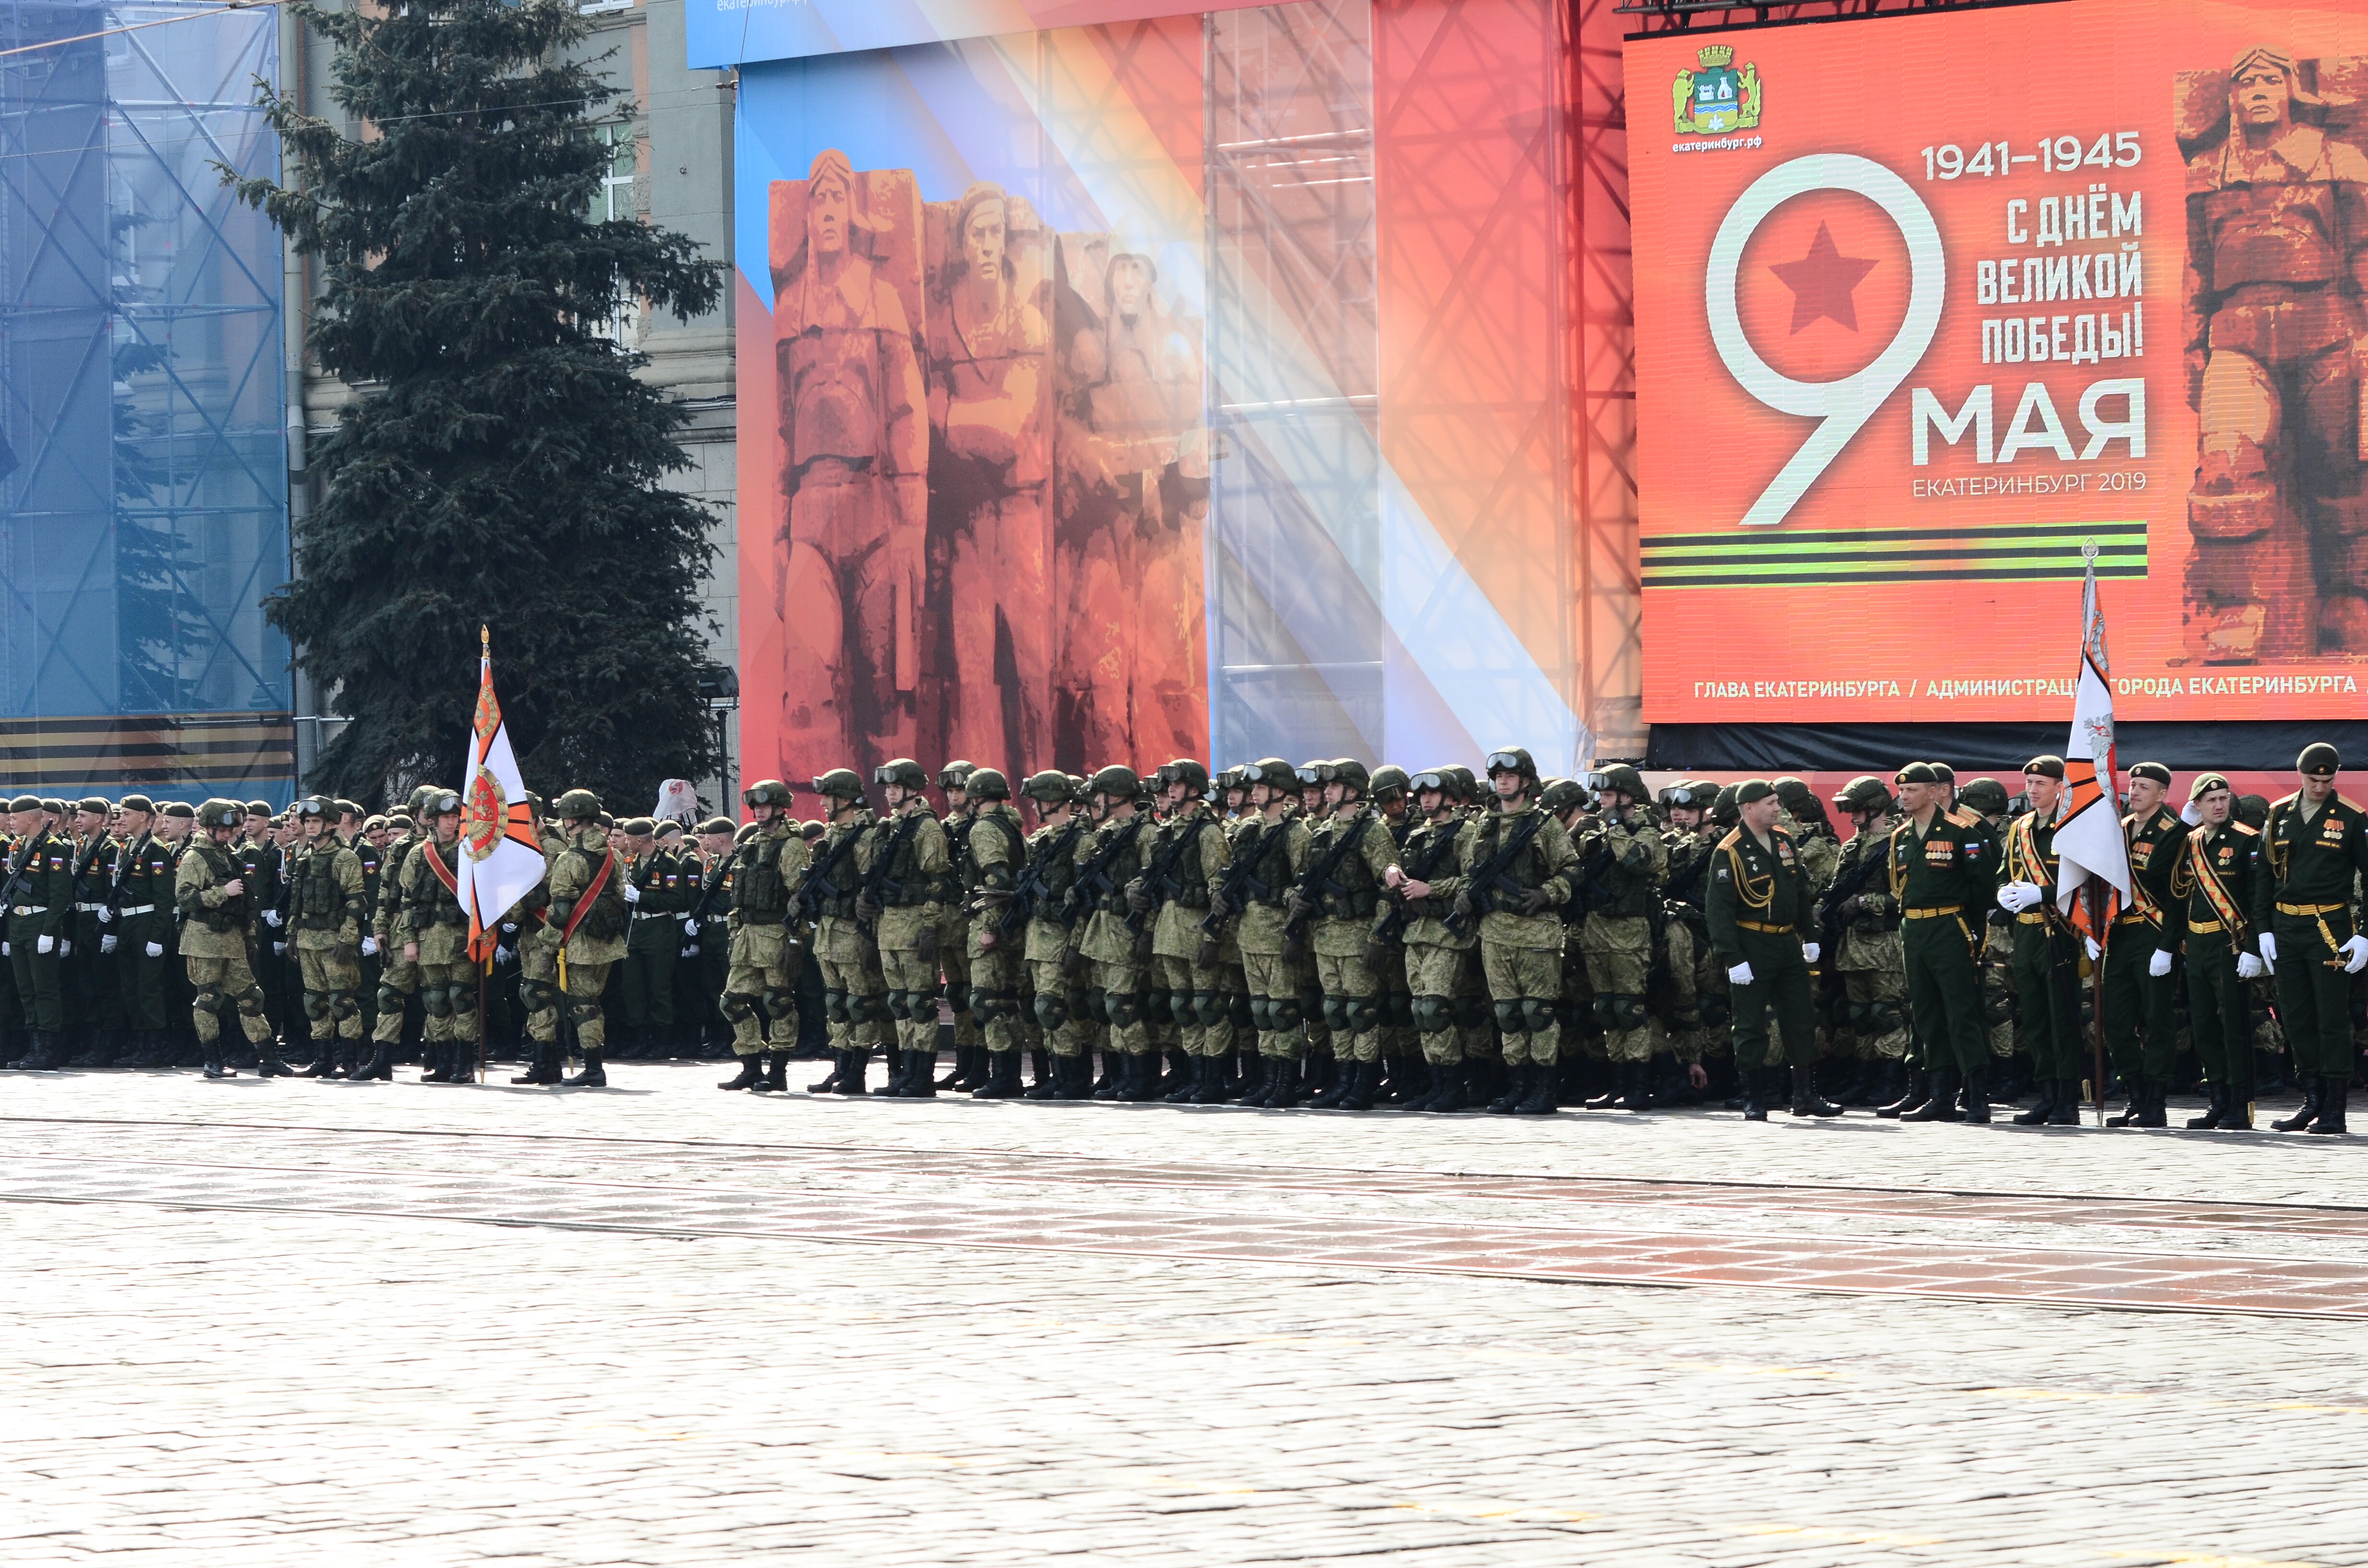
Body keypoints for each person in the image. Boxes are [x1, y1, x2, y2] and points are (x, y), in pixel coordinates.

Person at [2182, 45, 2368, 660]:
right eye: (2245, 84)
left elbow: (2363, 251)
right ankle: (2234, 610)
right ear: (2231, 99)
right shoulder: (2206, 172)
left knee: (2341, 478)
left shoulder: (2337, 160)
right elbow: (2198, 275)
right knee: (2224, 467)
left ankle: (2349, 601)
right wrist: (2193, 349)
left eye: (2269, 80)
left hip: (2326, 333)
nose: (2257, 91)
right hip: (2237, 341)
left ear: (2291, 91)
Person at [1432, 748, 1580, 1116]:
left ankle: (1543, 1090)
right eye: (1498, 775)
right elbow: (1471, 871)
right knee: (1508, 1015)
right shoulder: (1484, 825)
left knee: (1537, 1012)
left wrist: (1548, 893)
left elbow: (1572, 870)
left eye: (1510, 776)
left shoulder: (1544, 824)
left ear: (1526, 782)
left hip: (1536, 931)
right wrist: (1466, 895)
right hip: (1495, 931)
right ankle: (1519, 1087)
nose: (1503, 781)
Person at [2254, 743, 2368, 1132]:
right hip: (2286, 926)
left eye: (2327, 779)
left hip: (2328, 926)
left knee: (2331, 1018)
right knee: (2296, 1016)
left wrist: (2365, 934)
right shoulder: (2279, 813)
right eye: (2313, 779)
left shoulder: (2352, 818)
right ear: (2300, 774)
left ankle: (2335, 1109)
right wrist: (2263, 929)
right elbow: (2264, 877)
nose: (2320, 786)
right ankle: (2312, 1100)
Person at [1708, 779, 1838, 1120]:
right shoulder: (1730, 850)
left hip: (1786, 943)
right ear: (1749, 808)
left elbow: (1798, 893)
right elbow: (1719, 911)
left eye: (1777, 802)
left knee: (1801, 1019)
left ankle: (1805, 1095)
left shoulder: (1783, 842)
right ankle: (1753, 1098)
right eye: (1770, 803)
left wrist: (1809, 936)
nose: (1777, 808)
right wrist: (1732, 957)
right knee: (1750, 1024)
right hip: (1751, 943)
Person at [1890, 761, 1998, 1122]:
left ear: (1934, 792)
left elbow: (1982, 887)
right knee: (1926, 1013)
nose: (1904, 796)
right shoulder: (1901, 836)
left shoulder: (1960, 831)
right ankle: (1939, 1095)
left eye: (1912, 790)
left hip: (1950, 926)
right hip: (1914, 930)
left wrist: (1973, 931)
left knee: (1961, 1011)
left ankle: (1977, 1095)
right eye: (1902, 791)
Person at [1384, 766, 1487, 1111]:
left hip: (1448, 933)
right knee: (1421, 1012)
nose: (1425, 800)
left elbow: (1474, 880)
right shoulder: (1418, 834)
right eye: (1422, 795)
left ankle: (1455, 1085)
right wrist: (1392, 871)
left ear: (1449, 798)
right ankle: (1438, 1081)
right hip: (1417, 932)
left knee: (1435, 1008)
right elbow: (1402, 870)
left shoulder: (1466, 832)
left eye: (1432, 794)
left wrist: (1433, 888)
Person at [2172, 773, 2266, 1129]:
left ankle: (2240, 1105)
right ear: (2197, 805)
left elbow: (2259, 899)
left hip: (2231, 944)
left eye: (2224, 798)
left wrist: (2254, 948)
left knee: (2233, 1026)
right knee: (2204, 1026)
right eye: (2210, 800)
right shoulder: (2191, 841)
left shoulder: (2246, 840)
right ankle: (2218, 1100)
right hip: (2196, 945)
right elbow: (2174, 886)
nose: (2219, 805)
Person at [2101, 761, 2192, 1127]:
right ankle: (2135, 1096)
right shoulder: (2120, 829)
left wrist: (2168, 947)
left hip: (2152, 934)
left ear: (2162, 794)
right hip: (2120, 935)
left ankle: (2155, 1103)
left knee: (2157, 1020)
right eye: (2133, 784)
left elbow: (2175, 896)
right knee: (2115, 1021)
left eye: (2144, 787)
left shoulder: (2174, 831)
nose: (2134, 791)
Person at [1994, 758, 2083, 1126]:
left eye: (2041, 783)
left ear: (2060, 787)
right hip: (2027, 933)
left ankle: (2067, 1099)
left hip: (2061, 931)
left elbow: (2085, 882)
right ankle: (2046, 1096)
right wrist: (2002, 893)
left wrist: (2043, 892)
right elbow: (2005, 872)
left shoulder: (2072, 828)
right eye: (2029, 782)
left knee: (2063, 1019)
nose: (2032, 790)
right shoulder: (2020, 829)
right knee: (2034, 1019)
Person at [1575, 763, 1667, 1111]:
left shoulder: (1645, 830)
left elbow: (1637, 861)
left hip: (1629, 929)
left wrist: (1614, 827)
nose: (1601, 801)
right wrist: (1575, 834)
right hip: (1597, 929)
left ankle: (1639, 1085)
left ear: (1626, 797)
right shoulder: (1596, 829)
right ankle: (1617, 1084)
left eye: (1608, 795)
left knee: (1630, 1009)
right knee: (1608, 1010)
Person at [863, 758, 953, 1097]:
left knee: (920, 1004)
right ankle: (904, 1071)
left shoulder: (927, 828)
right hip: (890, 926)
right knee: (900, 1004)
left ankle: (922, 1076)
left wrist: (930, 926)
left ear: (912, 789)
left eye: (895, 787)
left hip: (915, 925)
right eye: (888, 788)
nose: (889, 794)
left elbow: (938, 881)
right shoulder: (891, 827)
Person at [1069, 765, 1159, 1101]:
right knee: (1105, 1007)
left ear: (1117, 796)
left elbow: (1153, 887)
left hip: (1126, 932)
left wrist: (1147, 933)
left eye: (1101, 795)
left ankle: (1140, 1077)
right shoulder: (1108, 833)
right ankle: (1119, 1075)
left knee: (1123, 1006)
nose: (1095, 802)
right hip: (1103, 932)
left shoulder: (1146, 834)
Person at [174, 799, 281, 1078]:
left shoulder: (230, 855)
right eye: (222, 829)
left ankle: (268, 1058)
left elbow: (245, 902)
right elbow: (186, 899)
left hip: (232, 939)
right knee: (208, 999)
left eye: (230, 829)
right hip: (204, 940)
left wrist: (249, 937)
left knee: (251, 997)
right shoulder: (195, 857)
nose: (227, 834)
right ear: (209, 827)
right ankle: (213, 1061)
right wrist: (223, 892)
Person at [1227, 760, 1310, 1106]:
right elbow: (1228, 872)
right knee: (1261, 1011)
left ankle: (1287, 1083)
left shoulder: (1296, 833)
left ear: (1278, 791)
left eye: (1260, 788)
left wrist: (1294, 935)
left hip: (1278, 934)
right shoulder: (1248, 830)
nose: (1254, 794)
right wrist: (1221, 892)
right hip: (1250, 932)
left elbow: (1305, 887)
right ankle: (1268, 1080)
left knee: (1283, 1012)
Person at [1827, 776, 1912, 1111]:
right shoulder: (1852, 846)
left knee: (1887, 1014)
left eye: (1857, 808)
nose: (1851, 816)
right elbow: (1836, 888)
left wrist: (1866, 902)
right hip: (1853, 946)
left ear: (1875, 807)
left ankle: (1891, 1081)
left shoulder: (1897, 842)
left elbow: (1905, 892)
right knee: (1860, 1016)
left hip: (1885, 945)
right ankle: (1863, 1079)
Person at [718, 781, 808, 1092]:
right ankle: (751, 1067)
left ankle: (778, 1072)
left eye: (765, 806)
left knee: (778, 1001)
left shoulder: (791, 846)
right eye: (755, 806)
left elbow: (802, 897)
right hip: (748, 935)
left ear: (781, 808)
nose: (758, 811)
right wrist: (734, 930)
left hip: (776, 935)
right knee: (732, 1002)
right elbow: (738, 896)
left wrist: (797, 940)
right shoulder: (753, 842)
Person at [803, 768, 887, 1094]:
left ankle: (858, 1071)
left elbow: (870, 884)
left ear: (845, 799)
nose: (823, 803)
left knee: (859, 1003)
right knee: (837, 1003)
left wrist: (869, 931)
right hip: (829, 930)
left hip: (853, 931)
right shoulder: (835, 833)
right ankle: (841, 1066)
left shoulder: (864, 835)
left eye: (829, 797)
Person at [1017, 770, 1094, 1099]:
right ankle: (1058, 1075)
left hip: (1062, 937)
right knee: (1044, 1009)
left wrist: (1076, 944)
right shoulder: (1043, 841)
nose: (1034, 807)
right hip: (1038, 937)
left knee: (1055, 1008)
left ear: (1049, 801)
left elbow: (1084, 901)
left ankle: (1074, 1078)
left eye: (1037, 801)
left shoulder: (1082, 841)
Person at [545, 790, 629, 1087]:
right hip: (608, 940)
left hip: (580, 943)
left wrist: (549, 942)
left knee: (583, 1005)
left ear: (570, 820)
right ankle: (595, 1065)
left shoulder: (569, 859)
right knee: (593, 1002)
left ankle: (594, 1068)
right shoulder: (613, 855)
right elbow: (619, 893)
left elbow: (560, 908)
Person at [396, 790, 479, 1083]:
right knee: (436, 1001)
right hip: (429, 937)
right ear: (432, 820)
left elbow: (483, 899)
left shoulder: (471, 851)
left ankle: (465, 1063)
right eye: (445, 817)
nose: (451, 823)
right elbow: (407, 900)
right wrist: (409, 939)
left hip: (461, 937)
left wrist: (484, 935)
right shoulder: (419, 854)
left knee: (461, 998)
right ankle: (442, 1061)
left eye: (455, 817)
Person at [284, 797, 368, 1078]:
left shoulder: (345, 858)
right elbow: (297, 901)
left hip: (334, 941)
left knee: (342, 1002)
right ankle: (323, 1059)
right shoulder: (305, 857)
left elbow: (356, 902)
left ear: (331, 825)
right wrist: (292, 935)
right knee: (314, 1002)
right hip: (308, 939)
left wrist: (347, 939)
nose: (309, 827)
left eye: (315, 822)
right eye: (307, 822)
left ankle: (350, 1061)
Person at [3, 794, 75, 1070]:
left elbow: (60, 896)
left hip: (40, 924)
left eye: (15, 817)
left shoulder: (52, 848)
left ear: (31, 818)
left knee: (44, 989)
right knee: (26, 989)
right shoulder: (20, 846)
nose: (12, 822)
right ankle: (35, 1047)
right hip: (19, 925)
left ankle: (49, 1049)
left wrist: (49, 931)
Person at [110, 795, 177, 1069]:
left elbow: (164, 899)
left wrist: (157, 937)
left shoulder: (155, 850)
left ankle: (154, 1045)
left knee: (148, 988)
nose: (122, 819)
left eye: (127, 814)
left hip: (147, 923)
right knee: (130, 987)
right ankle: (139, 1041)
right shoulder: (128, 847)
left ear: (143, 818)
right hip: (127, 923)